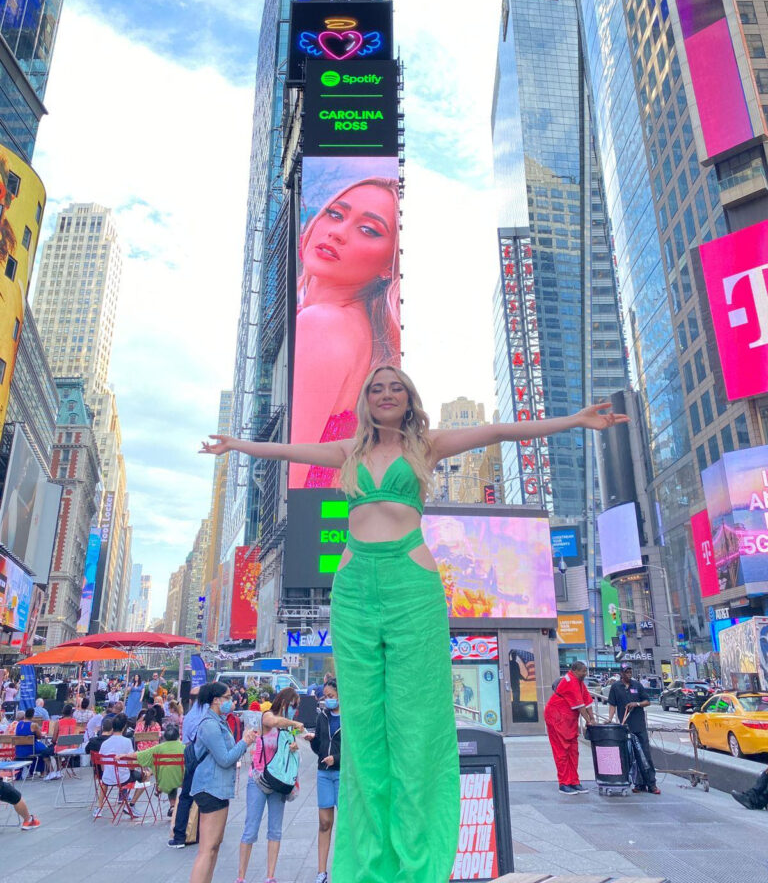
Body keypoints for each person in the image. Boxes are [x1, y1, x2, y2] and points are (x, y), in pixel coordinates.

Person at [202, 365, 626, 881]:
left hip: (412, 583)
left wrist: (575, 420)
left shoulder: (427, 446)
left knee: (417, 724)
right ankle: (369, 865)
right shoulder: (347, 452)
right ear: (366, 400)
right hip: (355, 591)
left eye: (394, 388)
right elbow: (287, 451)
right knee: (363, 730)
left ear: (408, 398)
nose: (385, 395)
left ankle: (419, 862)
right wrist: (238, 445)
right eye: (376, 388)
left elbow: (499, 431)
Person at [288, 177, 402, 490]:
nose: (337, 232)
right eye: (336, 214)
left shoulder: (322, 325)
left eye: (369, 230)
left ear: (388, 266)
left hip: (307, 531)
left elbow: (291, 475)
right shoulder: (356, 329)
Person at [188, 682, 258, 883]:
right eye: (227, 697)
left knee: (214, 845)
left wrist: (244, 742)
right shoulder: (209, 725)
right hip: (209, 788)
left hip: (218, 788)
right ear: (216, 700)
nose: (231, 700)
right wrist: (245, 742)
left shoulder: (219, 721)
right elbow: (225, 759)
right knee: (207, 848)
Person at [237, 687, 302, 883]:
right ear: (284, 703)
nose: (294, 710)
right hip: (259, 778)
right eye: (293, 705)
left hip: (279, 781)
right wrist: (293, 723)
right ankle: (241, 877)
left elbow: (287, 749)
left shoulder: (288, 727)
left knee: (275, 829)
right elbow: (274, 722)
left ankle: (270, 876)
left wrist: (294, 746)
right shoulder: (268, 716)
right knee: (251, 829)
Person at [304, 677, 342, 883]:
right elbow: (319, 746)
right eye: (325, 697)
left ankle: (346, 867)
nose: (327, 700)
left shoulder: (349, 718)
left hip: (343, 774)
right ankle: (321, 872)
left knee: (345, 824)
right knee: (324, 822)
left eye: (331, 697)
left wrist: (336, 758)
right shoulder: (322, 717)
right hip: (324, 773)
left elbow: (355, 750)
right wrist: (312, 741)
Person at [607, 664, 660, 795]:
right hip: (625, 727)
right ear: (621, 673)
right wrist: (610, 719)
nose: (629, 674)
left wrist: (636, 704)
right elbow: (612, 704)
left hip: (639, 726)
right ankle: (638, 783)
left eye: (630, 671)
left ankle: (651, 784)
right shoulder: (615, 687)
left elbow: (647, 701)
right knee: (629, 757)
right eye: (626, 672)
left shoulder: (637, 685)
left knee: (644, 755)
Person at [544, 660, 595, 794]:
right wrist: (588, 720)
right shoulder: (570, 681)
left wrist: (593, 718)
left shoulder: (579, 682)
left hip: (568, 721)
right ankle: (564, 783)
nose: (585, 673)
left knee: (573, 751)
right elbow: (580, 705)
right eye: (583, 671)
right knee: (561, 751)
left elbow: (587, 700)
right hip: (557, 718)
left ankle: (574, 781)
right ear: (575, 671)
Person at [168, 684, 206, 850]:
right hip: (207, 757)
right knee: (208, 797)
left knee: (186, 797)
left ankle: (179, 836)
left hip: (192, 755)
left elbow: (187, 741)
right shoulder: (209, 714)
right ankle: (204, 833)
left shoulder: (190, 716)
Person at [96, 712, 140, 820]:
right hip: (123, 778)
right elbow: (131, 763)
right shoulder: (127, 742)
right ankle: (131, 804)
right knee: (145, 775)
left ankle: (98, 807)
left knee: (106, 779)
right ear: (124, 727)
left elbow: (102, 764)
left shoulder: (105, 743)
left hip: (107, 777)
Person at [135, 722, 186, 816]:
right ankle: (180, 806)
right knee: (176, 774)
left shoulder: (158, 748)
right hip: (182, 779)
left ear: (165, 737)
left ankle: (171, 804)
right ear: (178, 736)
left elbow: (140, 755)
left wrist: (124, 755)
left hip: (163, 780)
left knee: (168, 774)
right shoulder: (184, 747)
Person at [14, 707, 54, 778]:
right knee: (44, 750)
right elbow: (39, 736)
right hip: (30, 748)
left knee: (41, 748)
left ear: (25, 715)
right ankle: (43, 771)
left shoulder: (19, 724)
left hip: (19, 749)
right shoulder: (33, 725)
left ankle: (33, 771)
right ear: (32, 716)